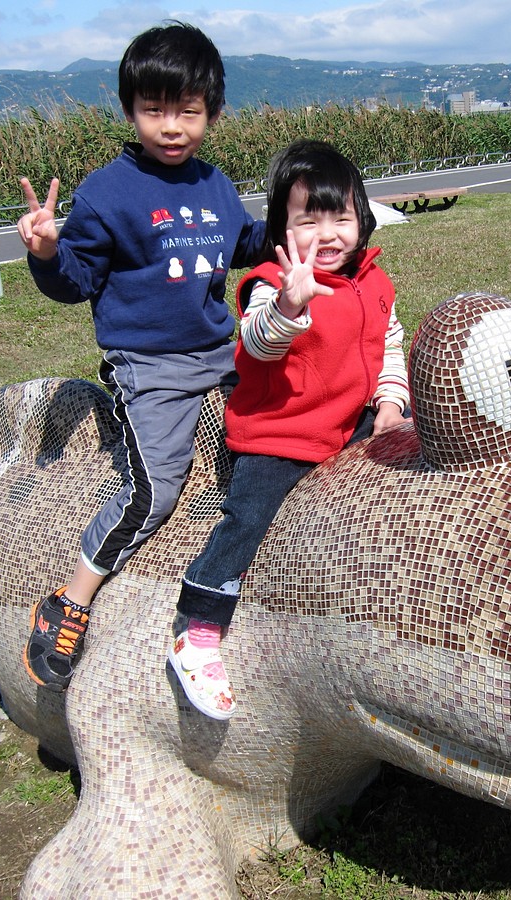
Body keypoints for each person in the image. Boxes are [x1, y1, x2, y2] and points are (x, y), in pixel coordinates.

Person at [16, 22, 267, 692]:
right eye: (155, 110)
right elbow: (75, 281)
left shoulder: (214, 185)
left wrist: (302, 223)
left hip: (220, 351)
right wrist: (47, 252)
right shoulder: (108, 192)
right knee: (154, 492)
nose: (172, 126)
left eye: (188, 111)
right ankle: (70, 599)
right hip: (150, 366)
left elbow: (243, 242)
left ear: (212, 112)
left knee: (284, 434)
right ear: (130, 110)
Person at [168, 139, 412, 719]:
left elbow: (388, 346)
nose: (327, 235)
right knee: (247, 519)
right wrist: (288, 307)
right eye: (308, 220)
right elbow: (256, 344)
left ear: (362, 219)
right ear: (282, 226)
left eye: (340, 218)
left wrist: (390, 403)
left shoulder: (374, 282)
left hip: (348, 420)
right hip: (279, 433)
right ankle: (198, 629)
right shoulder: (270, 283)